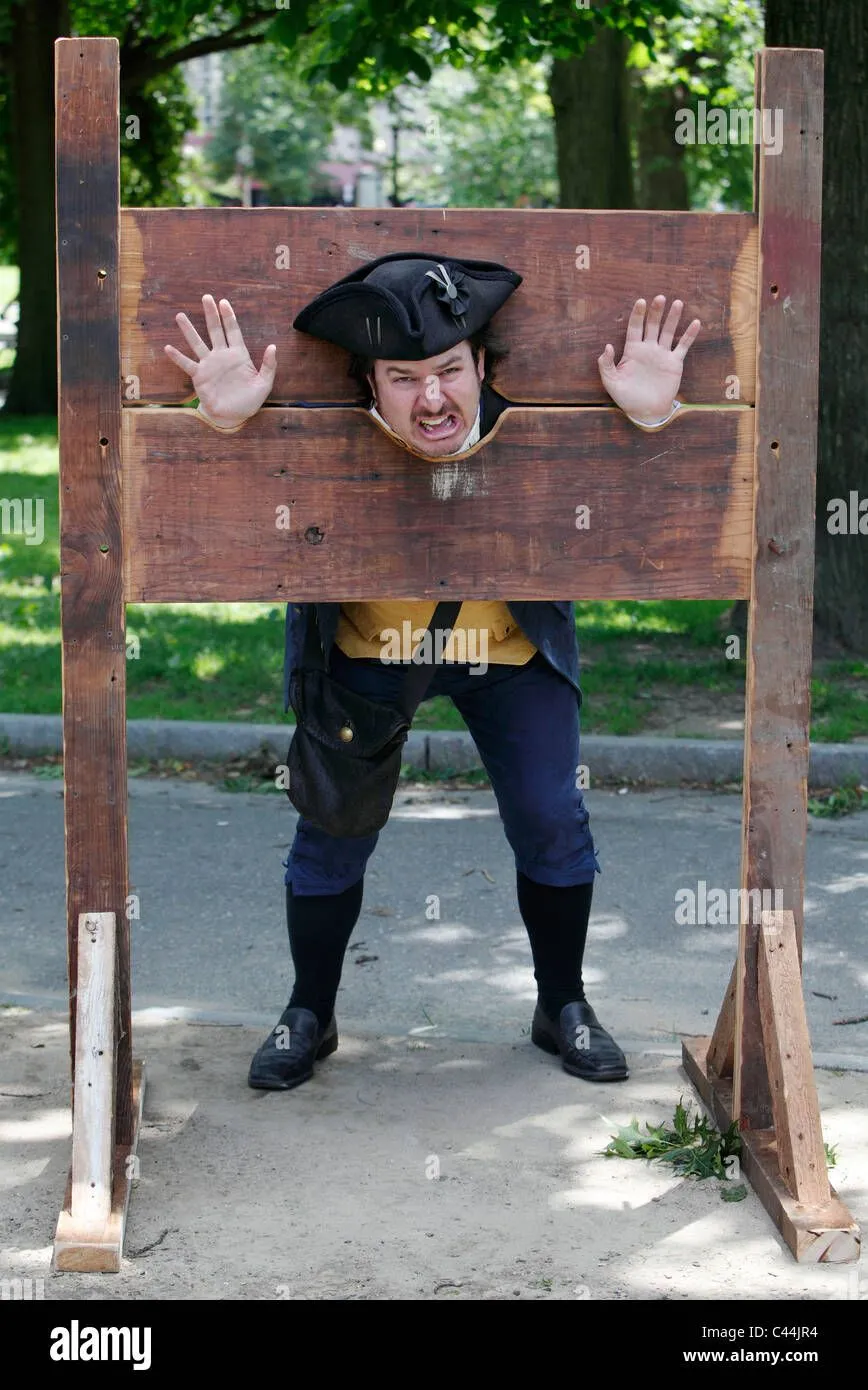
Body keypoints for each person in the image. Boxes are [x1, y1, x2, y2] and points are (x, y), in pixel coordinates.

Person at [164, 255, 700, 1092]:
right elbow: (202, 509)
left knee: (551, 816)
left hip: (510, 650)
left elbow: (664, 516)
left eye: (450, 370)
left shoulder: (533, 434)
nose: (433, 399)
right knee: (332, 829)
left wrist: (654, 421)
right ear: (367, 388)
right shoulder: (327, 447)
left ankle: (562, 1004)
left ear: (483, 367)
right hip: (373, 647)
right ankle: (311, 1009)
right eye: (402, 378)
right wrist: (231, 431)